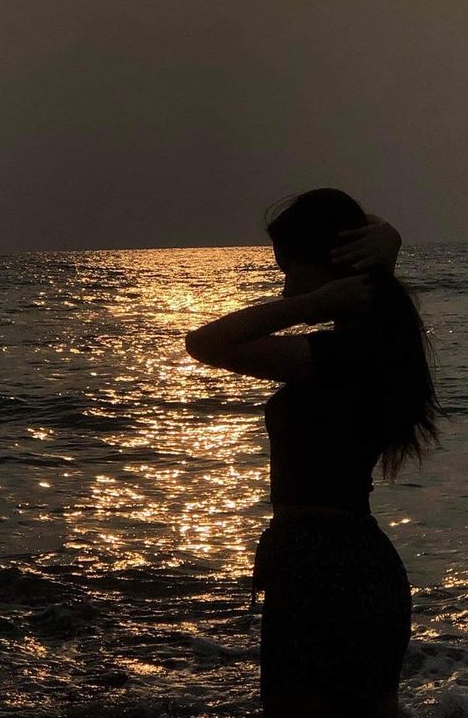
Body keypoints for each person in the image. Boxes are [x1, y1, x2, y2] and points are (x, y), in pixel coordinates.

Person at [185, 188, 442, 718]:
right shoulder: (374, 340)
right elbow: (353, 223)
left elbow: (205, 343)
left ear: (328, 270)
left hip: (326, 567)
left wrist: (311, 304)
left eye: (289, 270)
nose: (285, 285)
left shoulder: (349, 352)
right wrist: (387, 234)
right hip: (341, 560)